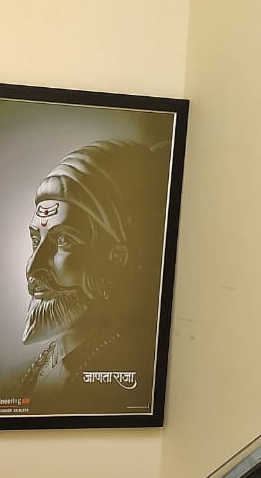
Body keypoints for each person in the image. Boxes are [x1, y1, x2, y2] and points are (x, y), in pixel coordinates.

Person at [19, 139, 170, 413]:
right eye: (35, 240)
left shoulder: (130, 364)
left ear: (117, 258)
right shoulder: (43, 363)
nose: (33, 267)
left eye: (63, 240)